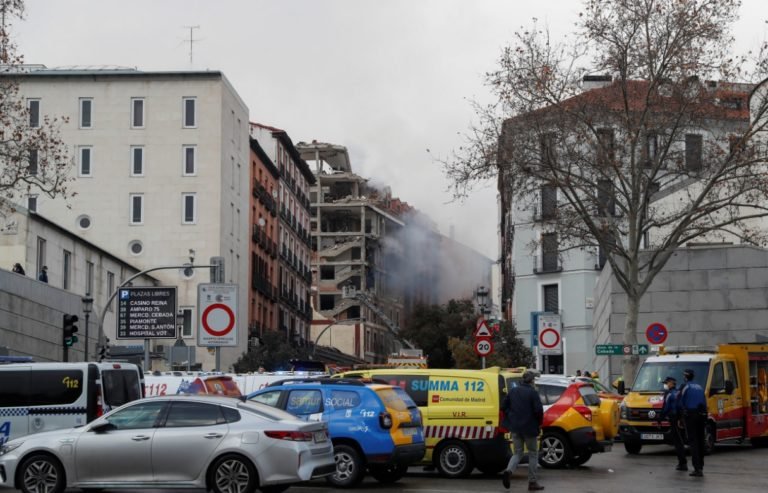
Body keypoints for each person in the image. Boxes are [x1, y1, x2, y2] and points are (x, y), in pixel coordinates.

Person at [501, 369, 544, 491]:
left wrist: (511, 416)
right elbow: (538, 411)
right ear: (531, 381)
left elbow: (504, 406)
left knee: (517, 453)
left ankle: (509, 471)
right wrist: (539, 423)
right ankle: (532, 482)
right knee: (533, 453)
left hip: (515, 427)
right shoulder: (533, 393)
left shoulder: (513, 391)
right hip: (529, 428)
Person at [679, 368, 707, 477]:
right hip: (701, 415)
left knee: (693, 442)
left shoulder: (685, 387)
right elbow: (704, 402)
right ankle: (701, 466)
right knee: (700, 441)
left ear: (685, 377)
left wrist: (680, 417)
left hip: (691, 415)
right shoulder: (700, 387)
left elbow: (680, 402)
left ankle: (697, 468)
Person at [659, 376, 687, 471]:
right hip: (681, 420)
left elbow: (666, 408)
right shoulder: (679, 392)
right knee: (681, 441)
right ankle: (682, 463)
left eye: (666, 383)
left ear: (671, 383)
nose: (665, 385)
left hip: (674, 420)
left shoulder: (669, 394)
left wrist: (660, 418)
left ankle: (682, 463)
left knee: (678, 442)